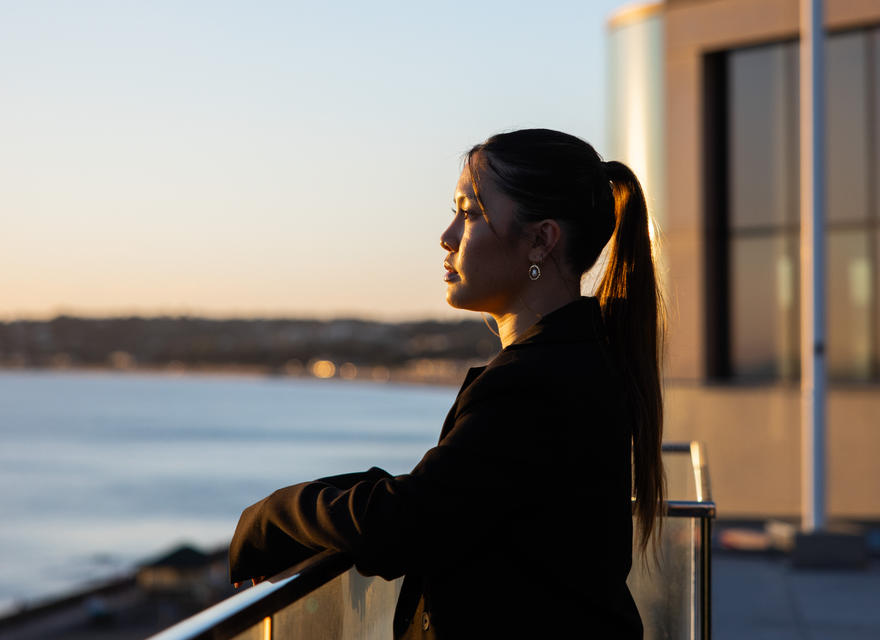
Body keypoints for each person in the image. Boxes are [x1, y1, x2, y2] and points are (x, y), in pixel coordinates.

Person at [228, 128, 665, 639]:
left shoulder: (534, 382)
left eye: (470, 212)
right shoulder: (580, 360)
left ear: (541, 240)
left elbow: (402, 528)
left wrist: (273, 515)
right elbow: (462, 495)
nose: (447, 235)